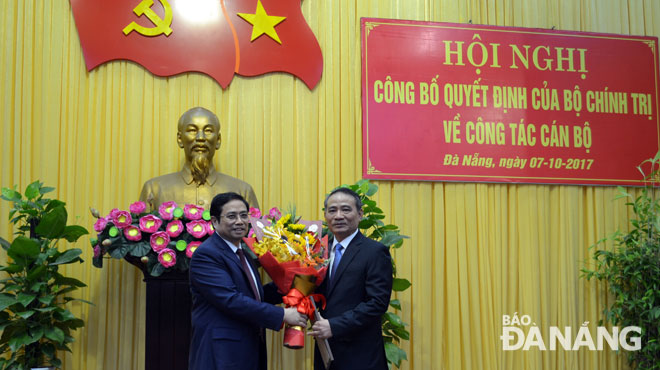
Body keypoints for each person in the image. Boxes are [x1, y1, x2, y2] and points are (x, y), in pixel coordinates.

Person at [189, 192, 306, 370]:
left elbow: (253, 295)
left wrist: (292, 283)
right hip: (222, 352)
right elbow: (230, 300)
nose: (240, 221)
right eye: (231, 216)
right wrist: (282, 315)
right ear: (214, 221)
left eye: (244, 215)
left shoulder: (242, 253)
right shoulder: (207, 254)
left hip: (248, 347)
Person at [308, 187, 393, 370]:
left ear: (360, 214)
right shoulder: (317, 251)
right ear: (325, 216)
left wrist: (334, 325)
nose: (338, 216)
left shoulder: (375, 252)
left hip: (361, 356)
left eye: (346, 209)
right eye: (332, 210)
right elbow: (299, 284)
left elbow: (377, 303)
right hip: (325, 354)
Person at [139, 107, 259, 211]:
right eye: (192, 130)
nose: (200, 138)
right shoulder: (154, 189)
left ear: (218, 140)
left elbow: (254, 236)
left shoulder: (242, 191)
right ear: (180, 139)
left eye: (208, 131)